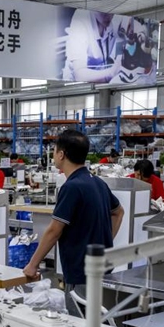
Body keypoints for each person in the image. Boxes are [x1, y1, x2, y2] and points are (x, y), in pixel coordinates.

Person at [23, 130, 124, 317]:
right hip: (102, 266)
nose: (53, 155)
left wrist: (32, 264)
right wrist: (105, 240)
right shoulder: (98, 183)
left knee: (81, 324)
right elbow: (118, 212)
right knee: (98, 320)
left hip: (81, 271)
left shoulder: (72, 187)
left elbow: (54, 230)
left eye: (54, 151)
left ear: (61, 154)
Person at [62, 10, 125, 83]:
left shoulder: (113, 17)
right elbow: (79, 75)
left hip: (100, 80)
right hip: (75, 84)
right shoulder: (81, 18)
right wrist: (111, 72)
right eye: (103, 11)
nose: (109, 16)